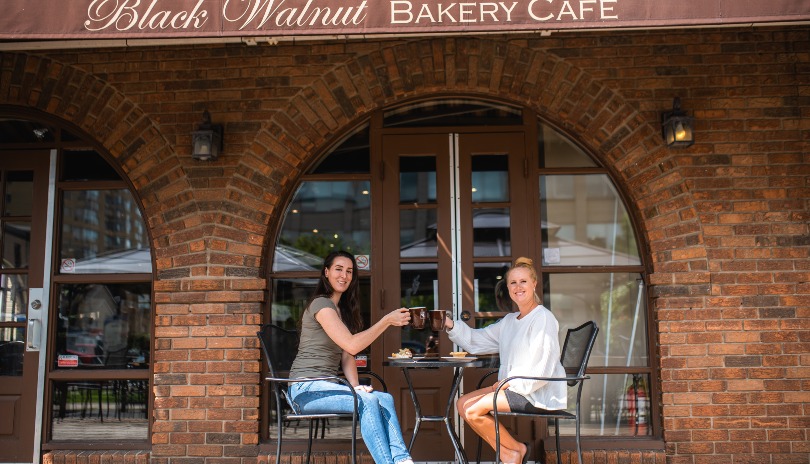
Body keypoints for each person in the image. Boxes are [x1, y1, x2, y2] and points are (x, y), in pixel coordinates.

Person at [288, 250, 414, 464]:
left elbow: (348, 354)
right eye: (338, 269)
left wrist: (355, 386)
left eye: (349, 271)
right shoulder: (321, 305)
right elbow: (352, 344)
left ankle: (403, 460)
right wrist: (386, 321)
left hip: (326, 388)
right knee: (367, 400)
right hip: (305, 390)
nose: (344, 276)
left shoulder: (340, 310)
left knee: (385, 398)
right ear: (326, 272)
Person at [443, 257, 566, 464]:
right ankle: (514, 450)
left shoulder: (542, 318)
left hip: (535, 391)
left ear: (534, 283)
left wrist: (511, 382)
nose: (518, 287)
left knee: (473, 410)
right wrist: (448, 324)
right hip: (512, 387)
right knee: (463, 404)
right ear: (508, 288)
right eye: (513, 283)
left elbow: (543, 368)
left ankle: (512, 453)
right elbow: (476, 341)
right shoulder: (510, 321)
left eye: (523, 281)